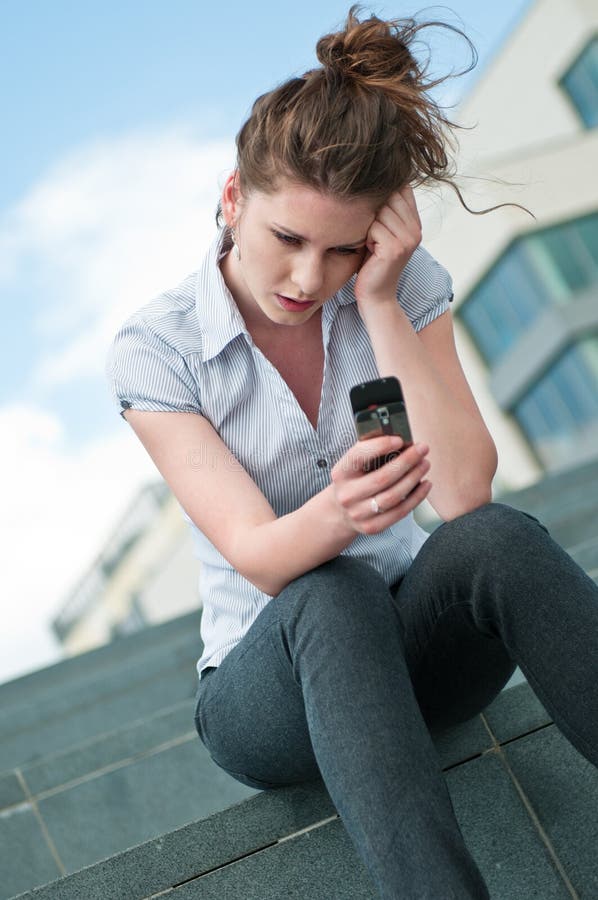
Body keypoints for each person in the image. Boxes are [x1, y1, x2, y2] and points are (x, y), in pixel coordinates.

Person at [106, 7, 598, 898]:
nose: (307, 279)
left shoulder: (397, 286)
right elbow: (258, 558)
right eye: (286, 239)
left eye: (342, 250)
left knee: (501, 539)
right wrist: (339, 513)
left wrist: (378, 303)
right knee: (327, 588)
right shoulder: (159, 349)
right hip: (275, 691)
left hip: (418, 648)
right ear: (232, 199)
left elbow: (466, 495)